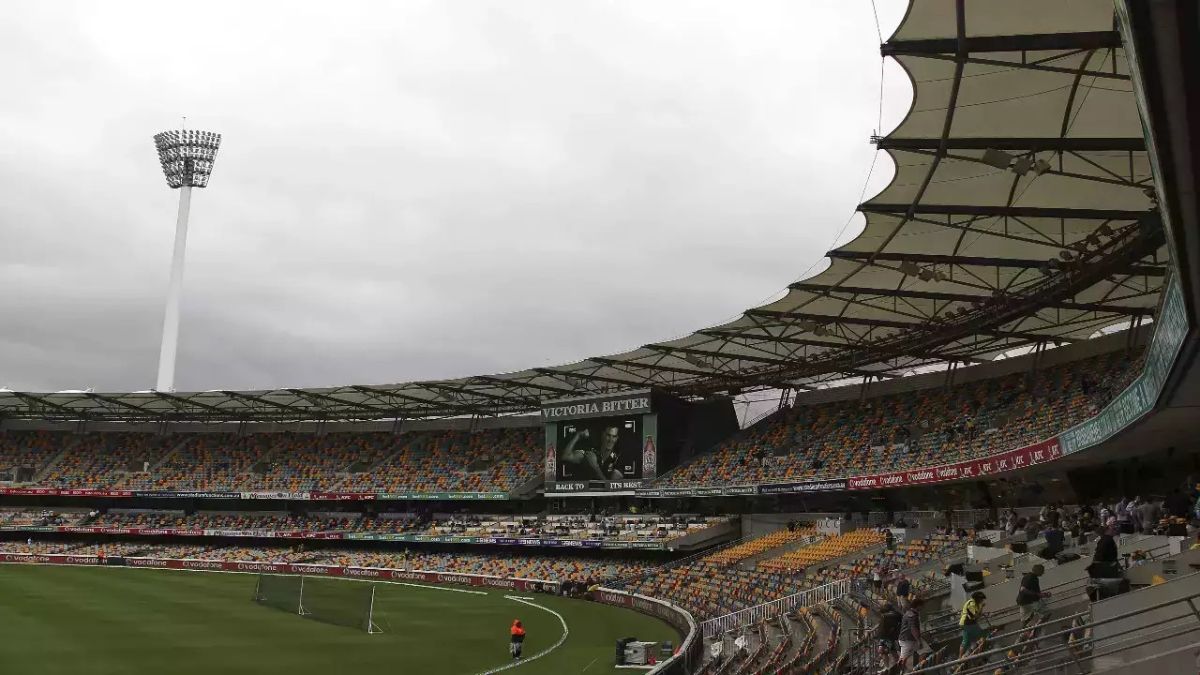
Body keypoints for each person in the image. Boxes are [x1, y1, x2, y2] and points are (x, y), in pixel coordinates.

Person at [898, 597, 924, 670]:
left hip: (907, 638)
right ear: (918, 605)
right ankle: (902, 671)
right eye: (922, 605)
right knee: (902, 659)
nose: (922, 607)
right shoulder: (912, 615)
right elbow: (913, 629)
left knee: (922, 651)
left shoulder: (909, 612)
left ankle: (917, 669)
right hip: (907, 640)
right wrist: (918, 640)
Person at [959, 592, 987, 657]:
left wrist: (981, 608)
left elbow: (978, 615)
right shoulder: (971, 603)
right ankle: (979, 653)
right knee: (982, 636)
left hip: (968, 623)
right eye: (981, 599)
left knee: (966, 641)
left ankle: (960, 657)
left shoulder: (976, 604)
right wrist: (981, 607)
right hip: (967, 623)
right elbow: (976, 616)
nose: (982, 601)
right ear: (977, 598)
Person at [878, 602, 902, 667]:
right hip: (890, 636)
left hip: (887, 637)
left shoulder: (886, 616)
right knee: (891, 651)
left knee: (886, 652)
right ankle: (896, 666)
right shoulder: (897, 614)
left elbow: (883, 629)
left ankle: (890, 667)